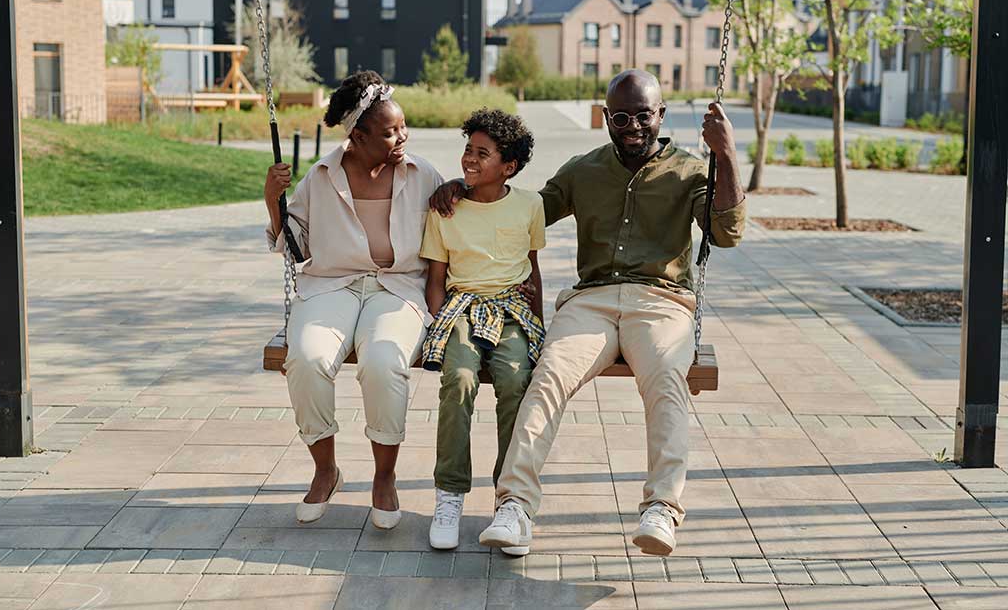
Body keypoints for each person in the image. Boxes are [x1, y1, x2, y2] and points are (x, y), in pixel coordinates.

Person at [431, 69, 746, 556]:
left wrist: (724, 154)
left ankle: (662, 507)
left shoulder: (690, 170)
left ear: (660, 114)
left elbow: (725, 233)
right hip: (591, 300)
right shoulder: (584, 169)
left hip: (661, 303)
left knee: (666, 377)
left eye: (644, 116)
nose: (633, 126)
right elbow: (525, 209)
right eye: (621, 117)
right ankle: (515, 505)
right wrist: (467, 185)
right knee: (548, 375)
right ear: (606, 119)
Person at [264, 70, 443, 530]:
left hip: (399, 288)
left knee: (383, 361)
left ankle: (385, 477)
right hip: (332, 285)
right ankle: (326, 470)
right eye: (390, 131)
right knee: (305, 358)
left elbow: (451, 233)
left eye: (403, 126)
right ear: (358, 137)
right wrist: (273, 202)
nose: (403, 136)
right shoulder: (321, 177)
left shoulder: (423, 174)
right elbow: (297, 247)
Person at [418, 109, 545, 551]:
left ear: (507, 167)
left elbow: (533, 269)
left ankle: (510, 502)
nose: (469, 159)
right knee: (460, 379)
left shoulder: (530, 204)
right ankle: (449, 495)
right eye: (468, 150)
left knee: (515, 381)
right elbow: (436, 278)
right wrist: (437, 325)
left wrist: (539, 329)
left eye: (482, 153)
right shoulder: (445, 207)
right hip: (460, 308)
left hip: (511, 311)